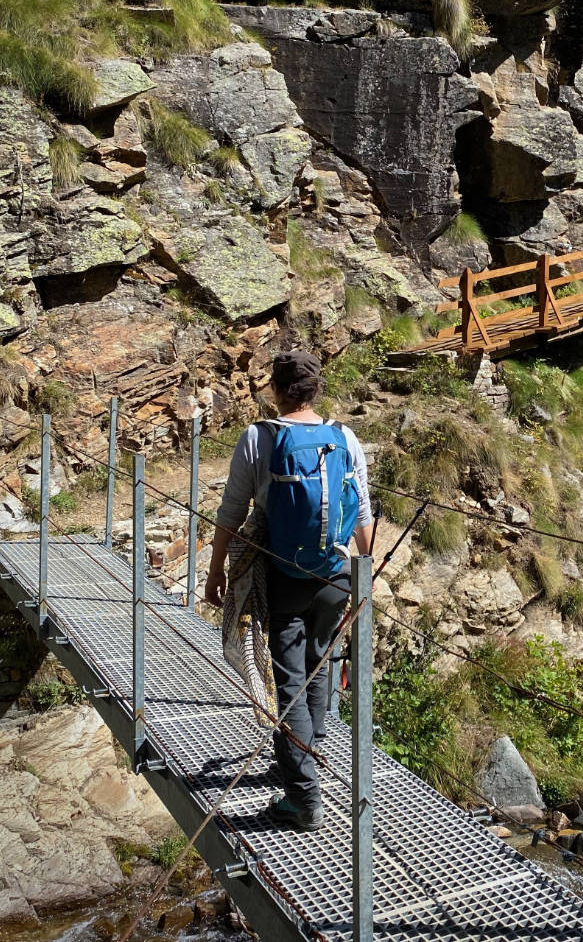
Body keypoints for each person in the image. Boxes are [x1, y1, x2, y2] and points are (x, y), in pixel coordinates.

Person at [204, 350, 373, 831]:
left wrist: (217, 571)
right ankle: (304, 757)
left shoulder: (260, 438)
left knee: (291, 684)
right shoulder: (344, 436)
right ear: (317, 389)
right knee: (320, 662)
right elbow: (362, 514)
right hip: (338, 573)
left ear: (274, 389)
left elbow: (231, 513)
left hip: (284, 576)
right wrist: (366, 573)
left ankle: (302, 799)